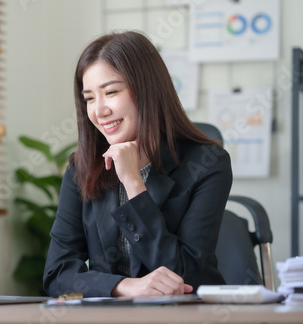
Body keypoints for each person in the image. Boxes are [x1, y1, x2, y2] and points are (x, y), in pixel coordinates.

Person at [43, 31, 233, 298]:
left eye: (111, 92)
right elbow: (58, 273)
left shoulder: (208, 163)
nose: (99, 111)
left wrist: (133, 183)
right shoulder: (82, 168)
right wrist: (125, 286)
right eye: (89, 98)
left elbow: (185, 277)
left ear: (147, 90)